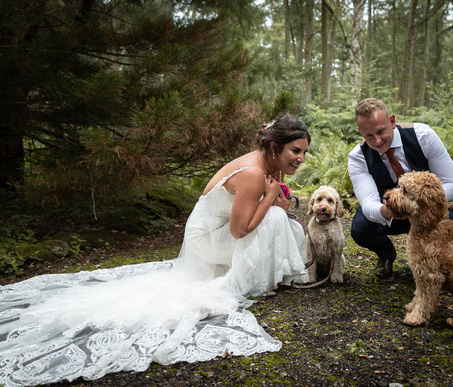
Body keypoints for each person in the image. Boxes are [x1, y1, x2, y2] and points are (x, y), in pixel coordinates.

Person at [0, 114, 310, 386]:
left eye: (304, 152)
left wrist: (276, 202)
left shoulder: (269, 163)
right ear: (274, 147)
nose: (301, 159)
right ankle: (252, 279)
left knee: (284, 220)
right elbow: (239, 230)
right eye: (296, 151)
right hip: (206, 238)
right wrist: (270, 201)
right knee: (272, 218)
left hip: (218, 230)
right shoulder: (255, 173)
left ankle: (267, 269)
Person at [348, 98, 453, 279]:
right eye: (368, 135)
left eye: (381, 131)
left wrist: (418, 201)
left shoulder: (423, 136)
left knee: (451, 220)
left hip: (426, 210)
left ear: (392, 121)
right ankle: (386, 253)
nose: (377, 141)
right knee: (360, 228)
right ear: (360, 131)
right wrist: (388, 210)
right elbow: (369, 204)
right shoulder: (357, 157)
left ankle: (438, 265)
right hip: (389, 212)